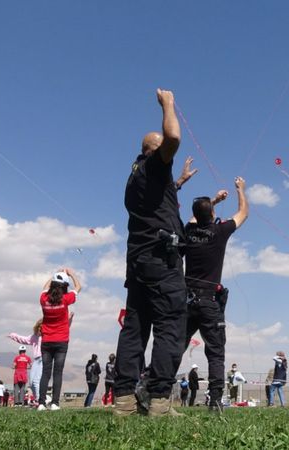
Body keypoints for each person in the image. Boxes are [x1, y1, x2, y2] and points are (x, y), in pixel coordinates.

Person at [113, 89, 188, 418]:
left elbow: (160, 200)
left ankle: (124, 401)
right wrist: (168, 104)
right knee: (170, 325)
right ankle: (159, 400)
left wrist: (180, 180)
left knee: (135, 327)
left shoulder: (136, 177)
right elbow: (172, 136)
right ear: (155, 152)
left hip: (139, 261)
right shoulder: (156, 165)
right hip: (162, 262)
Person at [182, 176, 249, 411]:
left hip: (186, 301)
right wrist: (240, 189)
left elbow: (195, 217)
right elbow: (243, 213)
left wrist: (213, 201)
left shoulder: (188, 231)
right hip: (210, 302)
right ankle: (216, 400)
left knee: (176, 345)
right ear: (211, 215)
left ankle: (155, 390)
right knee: (216, 352)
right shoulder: (219, 231)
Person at [38, 269, 81, 411]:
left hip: (46, 341)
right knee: (58, 372)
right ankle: (55, 403)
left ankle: (41, 403)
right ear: (64, 287)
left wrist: (54, 274)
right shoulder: (66, 299)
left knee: (45, 372)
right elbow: (78, 287)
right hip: (61, 341)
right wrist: (71, 274)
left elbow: (44, 288)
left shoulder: (44, 300)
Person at [8, 319, 44, 404]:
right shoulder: (34, 337)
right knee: (31, 383)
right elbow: (24, 340)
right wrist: (13, 336)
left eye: (42, 327)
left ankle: (40, 400)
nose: (40, 329)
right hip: (36, 360)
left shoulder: (48, 336)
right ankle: (37, 400)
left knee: (36, 381)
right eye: (39, 327)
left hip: (44, 359)